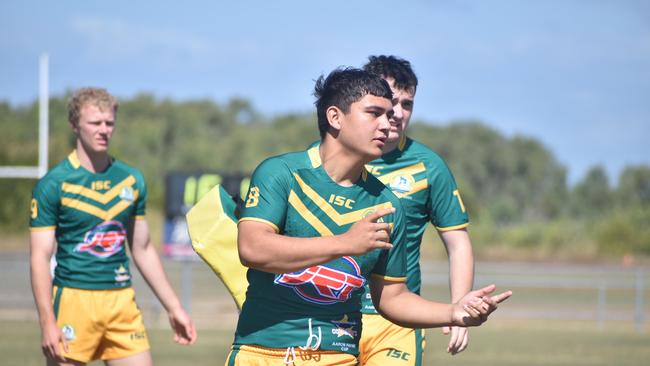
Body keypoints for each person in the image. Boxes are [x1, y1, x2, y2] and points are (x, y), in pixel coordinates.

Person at [228, 68, 511, 365]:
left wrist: (453, 312)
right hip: (261, 352)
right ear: (335, 117)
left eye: (389, 116)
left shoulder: (388, 204)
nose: (388, 125)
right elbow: (253, 248)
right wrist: (345, 243)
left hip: (336, 355)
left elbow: (392, 298)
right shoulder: (281, 173)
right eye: (374, 113)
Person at [29, 87, 197, 366]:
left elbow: (142, 249)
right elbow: (39, 257)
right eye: (95, 123)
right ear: (74, 125)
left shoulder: (130, 180)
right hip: (73, 300)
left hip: (121, 302)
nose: (104, 130)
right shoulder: (53, 184)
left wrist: (174, 307)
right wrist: (47, 321)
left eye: (109, 123)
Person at [357, 55, 475, 365]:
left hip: (399, 318)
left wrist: (459, 304)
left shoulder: (429, 166)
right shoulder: (334, 158)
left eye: (407, 104)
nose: (397, 113)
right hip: (335, 314)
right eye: (390, 101)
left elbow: (458, 242)